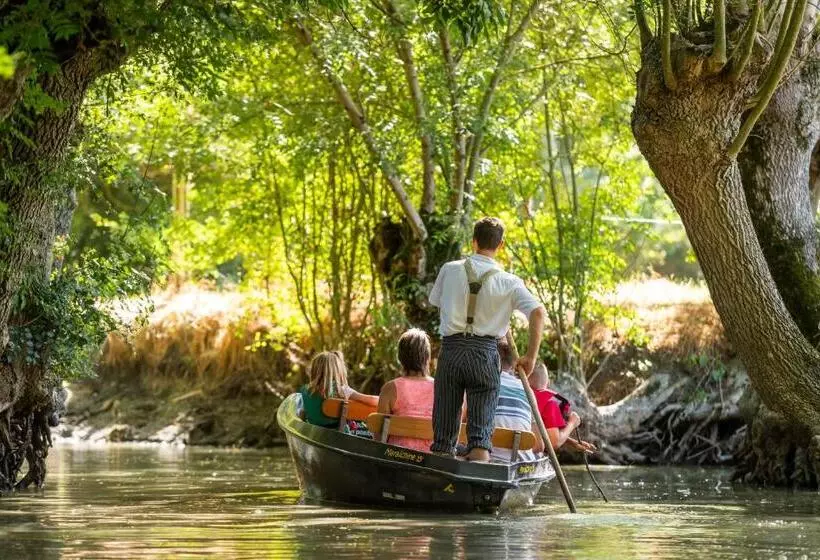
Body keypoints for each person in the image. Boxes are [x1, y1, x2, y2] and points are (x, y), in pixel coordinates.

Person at [428, 217, 546, 462]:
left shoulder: (449, 269)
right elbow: (538, 312)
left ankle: (440, 483)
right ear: (500, 245)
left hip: (451, 351)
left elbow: (437, 302)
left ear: (473, 241)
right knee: (480, 438)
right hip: (484, 354)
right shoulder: (510, 282)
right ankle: (477, 488)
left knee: (443, 439)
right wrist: (530, 358)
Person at [377, 328, 435, 452]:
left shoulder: (390, 388)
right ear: (427, 357)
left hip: (395, 456)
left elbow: (379, 436)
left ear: (401, 357)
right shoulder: (440, 388)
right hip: (431, 457)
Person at [299, 350, 378, 436]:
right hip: (339, 437)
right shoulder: (341, 390)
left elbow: (302, 414)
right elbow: (372, 400)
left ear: (314, 370)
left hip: (314, 435)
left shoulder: (304, 390)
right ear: (338, 370)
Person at [491, 339, 544, 462]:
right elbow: (539, 445)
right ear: (513, 365)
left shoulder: (482, 383)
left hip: (489, 459)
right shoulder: (527, 390)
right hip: (522, 462)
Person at [529, 362, 596, 453]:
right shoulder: (549, 404)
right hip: (530, 455)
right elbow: (553, 443)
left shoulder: (520, 398)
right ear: (548, 383)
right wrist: (572, 423)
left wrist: (572, 442)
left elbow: (543, 432)